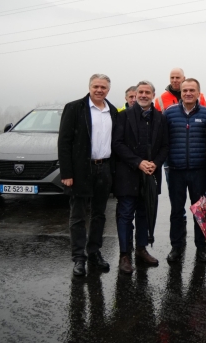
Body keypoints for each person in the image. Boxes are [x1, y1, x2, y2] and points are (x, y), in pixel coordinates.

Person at [58, 74, 118, 276]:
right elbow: (64, 142)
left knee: (100, 214)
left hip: (105, 168)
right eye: (96, 86)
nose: (99, 90)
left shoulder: (113, 111)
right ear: (89, 87)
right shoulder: (74, 108)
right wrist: (66, 172)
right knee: (78, 215)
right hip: (82, 169)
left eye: (103, 87)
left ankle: (94, 252)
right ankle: (78, 258)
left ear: (108, 90)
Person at [112, 81, 169, 274]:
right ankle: (124, 254)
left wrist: (156, 163)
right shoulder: (123, 116)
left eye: (147, 92)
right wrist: (138, 162)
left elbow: (165, 146)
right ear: (135, 95)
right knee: (126, 215)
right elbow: (117, 144)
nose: (143, 95)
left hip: (150, 175)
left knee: (145, 213)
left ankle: (141, 249)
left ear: (153, 95)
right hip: (128, 174)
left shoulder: (161, 118)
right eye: (140, 92)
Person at [163, 78, 206, 263]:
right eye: (185, 90)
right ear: (181, 92)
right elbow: (163, 140)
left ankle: (202, 247)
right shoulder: (169, 114)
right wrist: (167, 163)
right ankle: (177, 246)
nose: (188, 93)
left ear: (198, 92)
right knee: (176, 211)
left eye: (192, 90)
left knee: (200, 211)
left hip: (198, 171)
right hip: (175, 170)